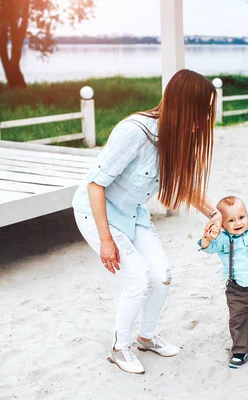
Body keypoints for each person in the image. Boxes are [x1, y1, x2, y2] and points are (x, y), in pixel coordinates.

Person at [72, 69, 223, 375]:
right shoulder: (135, 132)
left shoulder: (180, 136)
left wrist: (214, 212)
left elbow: (187, 186)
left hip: (133, 213)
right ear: (182, 106)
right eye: (200, 112)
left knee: (162, 275)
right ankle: (119, 348)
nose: (204, 121)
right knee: (139, 281)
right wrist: (105, 240)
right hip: (98, 212)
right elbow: (95, 184)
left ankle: (146, 336)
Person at [199, 195, 248, 369]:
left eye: (241, 217)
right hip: (237, 292)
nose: (238, 223)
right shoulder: (223, 240)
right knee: (238, 321)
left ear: (247, 216)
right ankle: (240, 350)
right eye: (231, 220)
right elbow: (209, 248)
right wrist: (207, 238)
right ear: (222, 224)